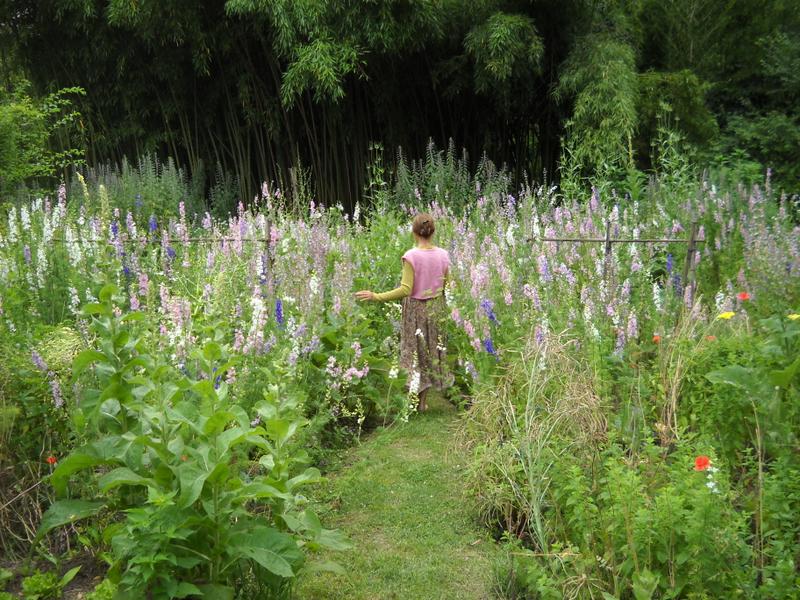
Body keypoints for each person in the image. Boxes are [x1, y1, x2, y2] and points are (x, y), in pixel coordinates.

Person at [355, 212, 453, 411]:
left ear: (414, 232)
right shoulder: (443, 255)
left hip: (415, 310)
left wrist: (376, 296)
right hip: (437, 308)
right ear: (433, 231)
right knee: (430, 351)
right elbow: (448, 286)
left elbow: (406, 289)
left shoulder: (411, 256)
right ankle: (422, 403)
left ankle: (413, 401)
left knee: (414, 352)